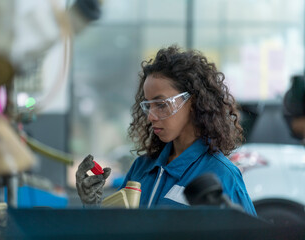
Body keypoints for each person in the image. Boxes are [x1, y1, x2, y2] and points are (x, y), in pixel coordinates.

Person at [76, 45, 257, 216]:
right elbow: (115, 231)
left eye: (161, 105)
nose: (151, 116)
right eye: (148, 106)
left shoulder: (222, 175)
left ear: (193, 103)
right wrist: (93, 208)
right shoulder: (142, 169)